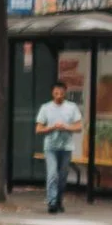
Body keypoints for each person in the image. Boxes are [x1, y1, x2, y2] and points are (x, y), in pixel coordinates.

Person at [34, 82, 84, 215]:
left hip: (66, 146)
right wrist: (51, 128)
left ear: (65, 93)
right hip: (50, 146)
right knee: (52, 174)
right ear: (52, 93)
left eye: (61, 93)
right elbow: (38, 129)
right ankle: (51, 202)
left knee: (62, 176)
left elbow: (79, 127)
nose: (59, 96)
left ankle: (59, 199)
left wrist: (66, 127)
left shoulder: (71, 108)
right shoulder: (45, 108)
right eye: (56, 93)